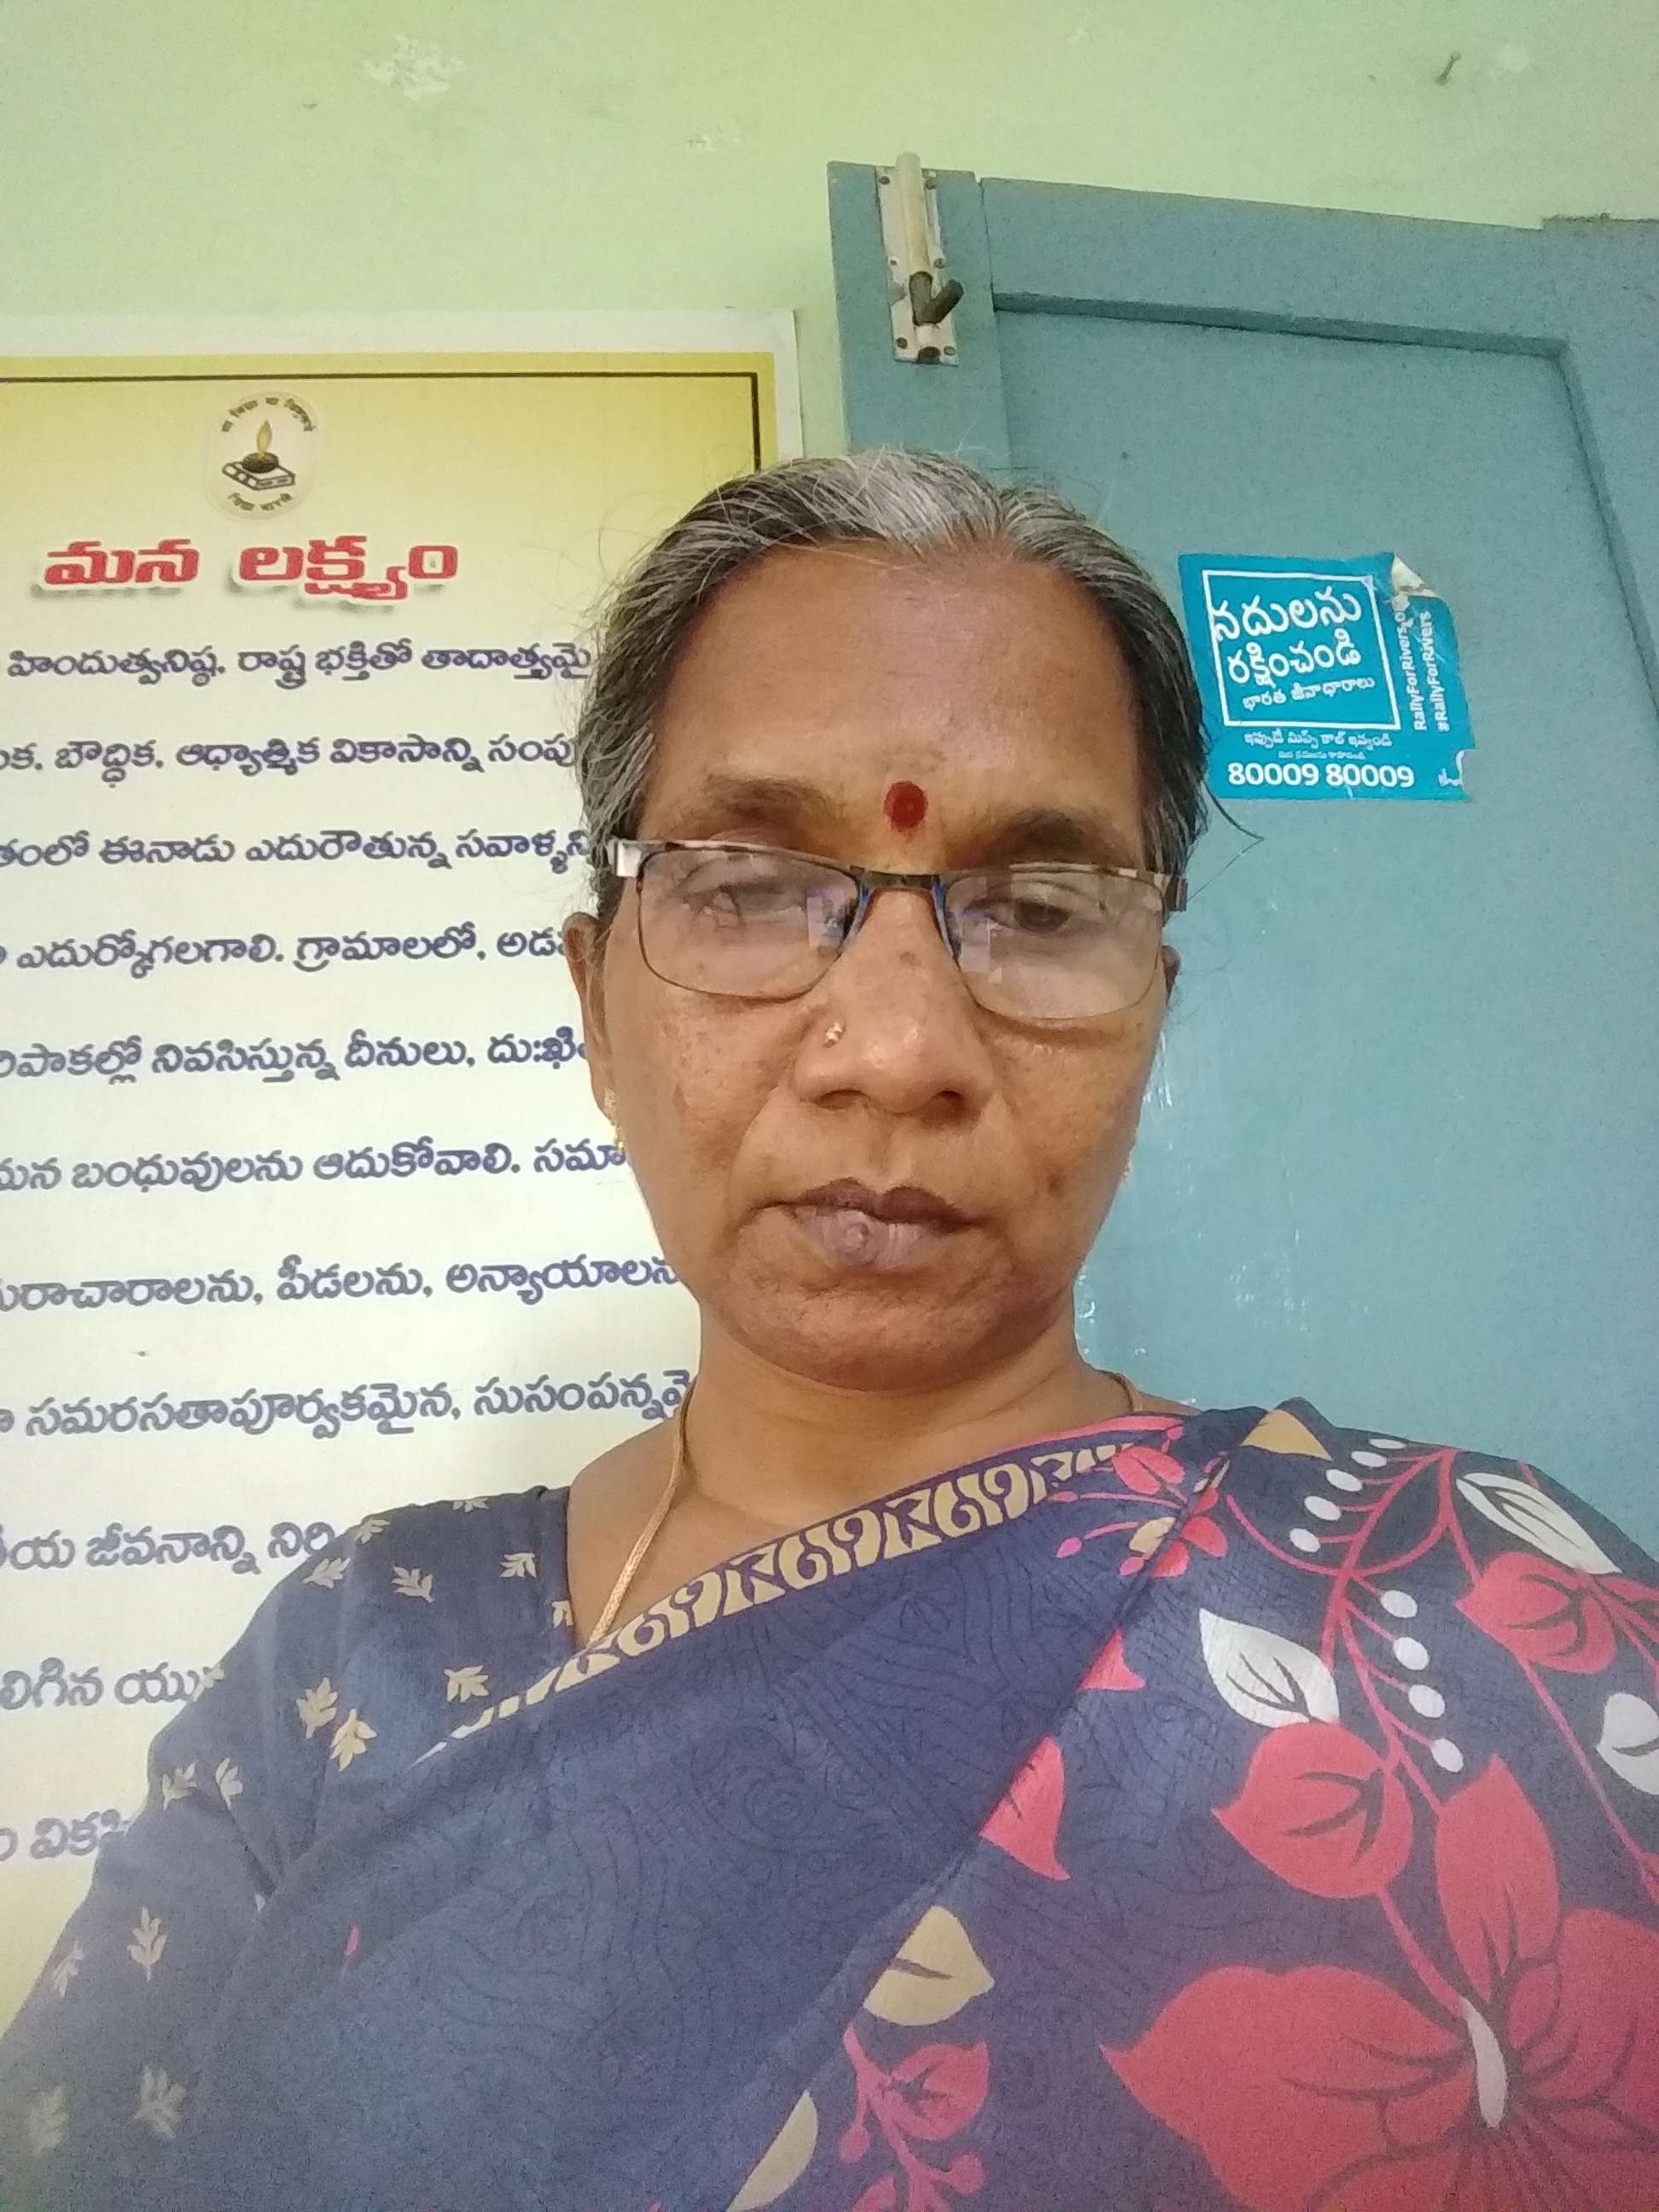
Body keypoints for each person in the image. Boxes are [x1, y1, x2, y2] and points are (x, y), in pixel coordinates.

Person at [3, 449, 1656, 2212]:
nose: (898, 1049)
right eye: (746, 884)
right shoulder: (350, 1665)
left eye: (1038, 909)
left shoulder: (1480, 1615)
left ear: (1152, 1014)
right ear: (595, 1007)